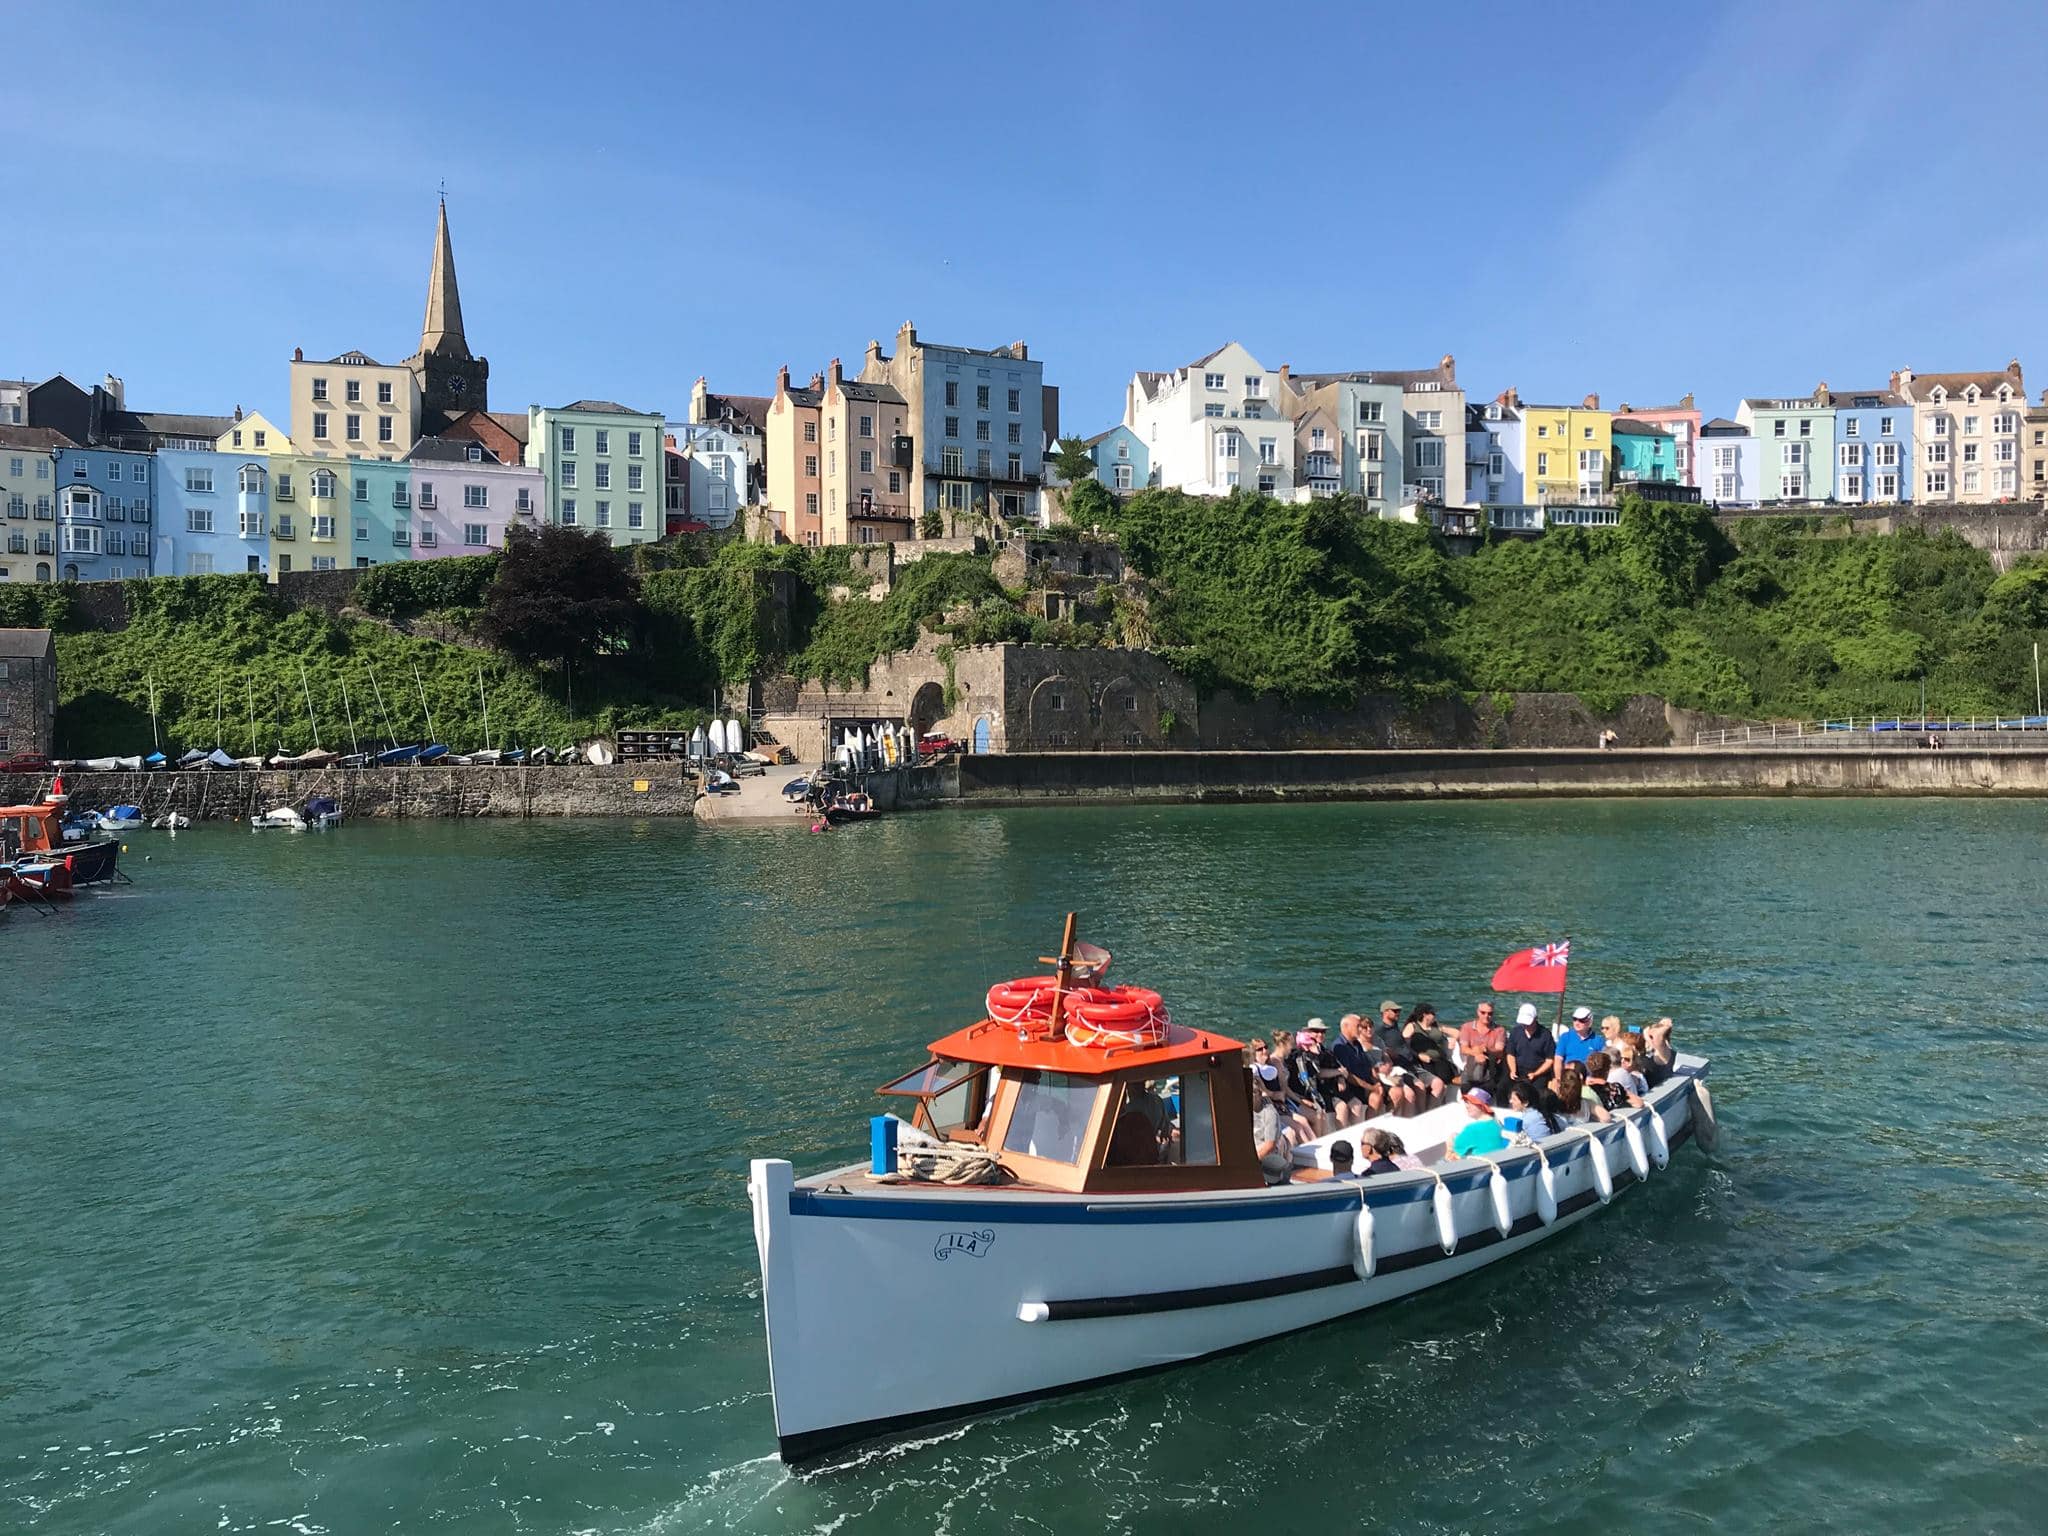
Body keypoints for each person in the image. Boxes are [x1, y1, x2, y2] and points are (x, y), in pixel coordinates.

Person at [1329, 1014, 1384, 1121]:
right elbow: (1349, 1076)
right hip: (1352, 1088)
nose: (1360, 1029)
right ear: (1346, 1027)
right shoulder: (1340, 1047)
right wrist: (1371, 1088)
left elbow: (1367, 1066)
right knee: (1375, 1098)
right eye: (1357, 1026)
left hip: (1364, 1084)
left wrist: (1376, 1083)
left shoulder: (1356, 1044)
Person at [1251, 1062, 1298, 1184]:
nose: (1251, 1096)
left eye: (1254, 1093)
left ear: (1260, 1093)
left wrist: (1247, 1164)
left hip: (1269, 1160)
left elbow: (1269, 1146)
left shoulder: (1269, 1113)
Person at [1402, 1005, 1458, 1103]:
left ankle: (1439, 1105)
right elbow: (1404, 1045)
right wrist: (1418, 1055)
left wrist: (1454, 1040)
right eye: (1432, 1013)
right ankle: (1430, 1107)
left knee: (1445, 1082)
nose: (1434, 1016)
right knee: (1433, 1084)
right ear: (1425, 1015)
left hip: (1439, 1060)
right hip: (1422, 1060)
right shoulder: (1413, 1026)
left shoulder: (1436, 1026)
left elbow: (1457, 1033)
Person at [1449, 1088, 1509, 1159]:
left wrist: (1449, 1145)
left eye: (1472, 1103)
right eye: (1466, 1102)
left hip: (1478, 1166)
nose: (1467, 1106)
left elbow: (1452, 1156)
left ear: (1483, 1107)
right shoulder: (1498, 1124)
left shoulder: (1471, 1129)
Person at [1507, 1002, 1556, 1084]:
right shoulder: (1516, 1031)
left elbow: (1549, 1060)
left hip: (1538, 1073)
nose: (1526, 1025)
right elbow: (1510, 1054)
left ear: (1535, 1018)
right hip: (1518, 1070)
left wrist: (1536, 1074)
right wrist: (1513, 1070)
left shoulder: (1545, 1035)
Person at [1642, 1016, 1677, 1085]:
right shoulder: (1655, 1049)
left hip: (1656, 1087)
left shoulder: (1663, 1052)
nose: (1649, 1038)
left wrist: (1646, 1035)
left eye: (1651, 1036)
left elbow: (1658, 1036)